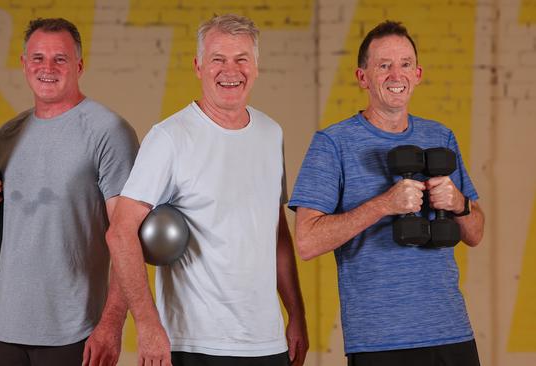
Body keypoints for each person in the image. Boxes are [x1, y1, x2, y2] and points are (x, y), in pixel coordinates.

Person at [105, 14, 309, 366]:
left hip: (266, 342)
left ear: (256, 67)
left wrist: (296, 314)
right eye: (218, 59)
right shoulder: (169, 137)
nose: (231, 70)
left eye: (241, 59)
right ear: (199, 66)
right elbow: (121, 233)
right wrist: (148, 324)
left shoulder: (270, 133)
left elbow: (276, 233)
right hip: (194, 343)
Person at [288, 20, 485, 366]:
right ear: (363, 77)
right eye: (384, 65)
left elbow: (475, 233)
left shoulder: (441, 136)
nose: (397, 75)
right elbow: (306, 242)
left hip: (452, 332)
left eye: (405, 64)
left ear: (418, 73)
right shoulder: (333, 143)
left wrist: (459, 202)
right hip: (379, 341)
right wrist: (383, 205)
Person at [0, 18, 138, 366]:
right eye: (37, 58)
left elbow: (128, 236)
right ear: (24, 65)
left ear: (79, 66)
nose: (47, 68)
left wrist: (112, 325)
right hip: (7, 328)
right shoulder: (7, 135)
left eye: (60, 59)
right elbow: (4, 237)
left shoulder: (108, 131)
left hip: (75, 331)